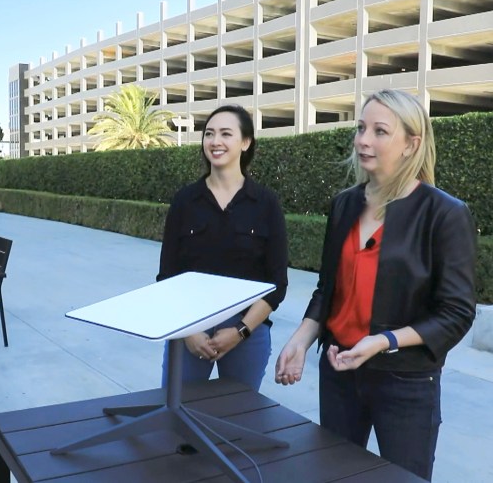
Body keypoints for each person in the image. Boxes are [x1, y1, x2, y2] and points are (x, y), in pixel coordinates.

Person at [275, 89, 476, 481]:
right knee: (333, 474)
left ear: (411, 144)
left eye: (380, 131)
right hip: (339, 371)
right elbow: (327, 290)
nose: (363, 140)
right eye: (361, 127)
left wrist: (383, 341)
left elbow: (456, 314)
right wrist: (300, 340)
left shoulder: (444, 213)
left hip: (405, 381)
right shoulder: (345, 204)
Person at [157, 104, 288, 391]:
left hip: (247, 332)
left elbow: (276, 284)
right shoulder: (185, 201)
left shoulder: (266, 203)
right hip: (189, 331)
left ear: (245, 142)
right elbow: (167, 277)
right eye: (209, 134)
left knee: (238, 420)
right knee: (179, 419)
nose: (215, 141)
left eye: (226, 134)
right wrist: (189, 332)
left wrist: (241, 331)